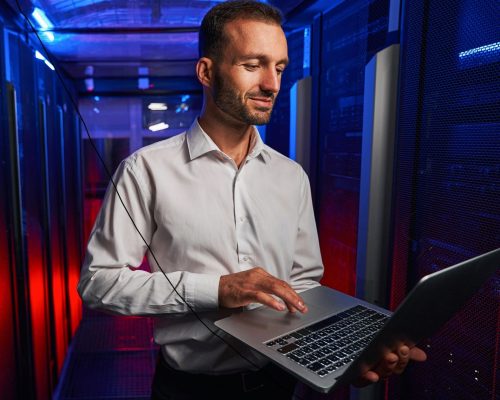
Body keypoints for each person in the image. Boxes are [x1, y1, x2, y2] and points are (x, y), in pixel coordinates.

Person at [78, 1, 426, 399]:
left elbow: (303, 287)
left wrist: (352, 357)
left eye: (278, 67)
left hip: (277, 384)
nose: (272, 84)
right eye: (252, 65)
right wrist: (217, 289)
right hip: (189, 389)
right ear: (206, 72)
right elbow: (98, 283)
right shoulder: (145, 171)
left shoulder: (291, 176)